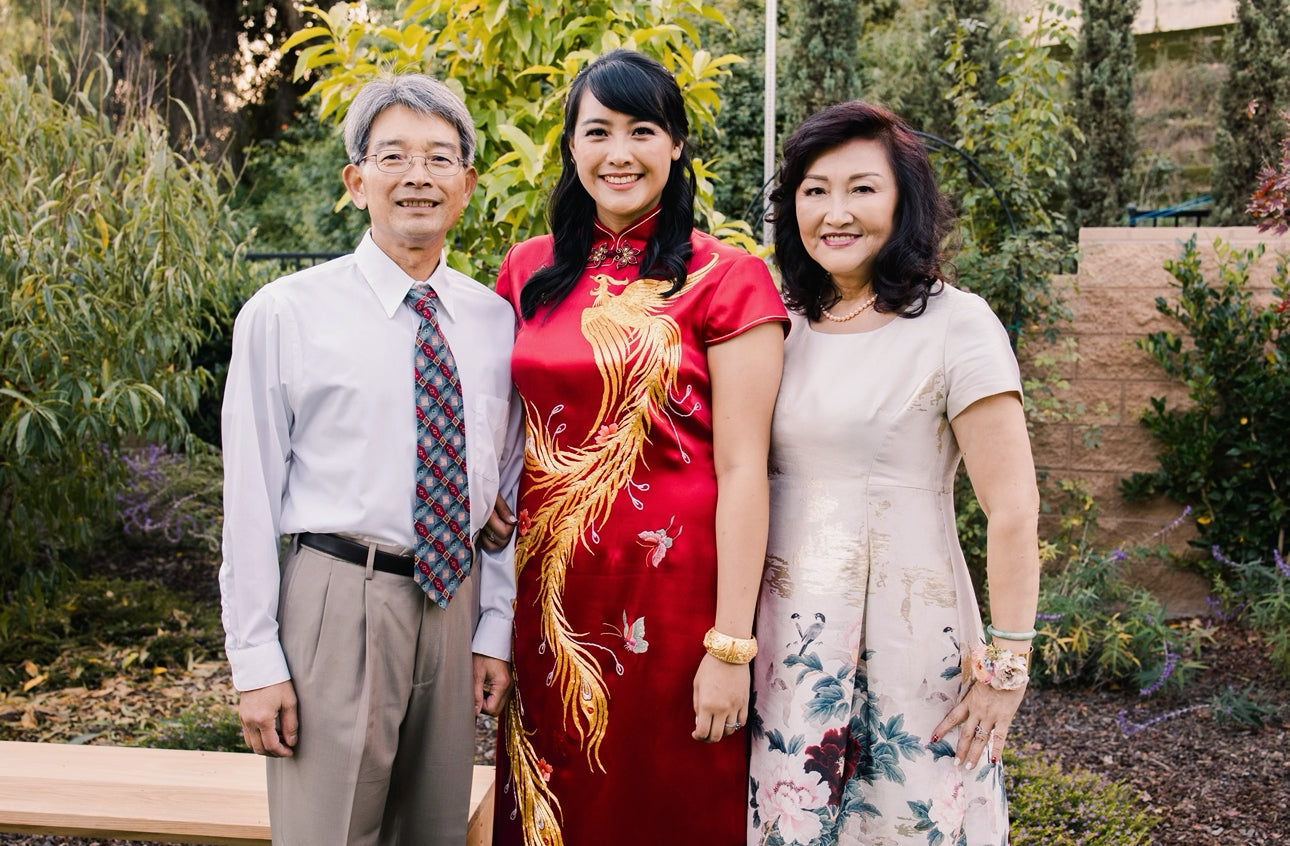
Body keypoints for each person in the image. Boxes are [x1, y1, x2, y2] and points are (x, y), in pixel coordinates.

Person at [490, 49, 789, 845]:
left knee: (669, 803)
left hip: (678, 599)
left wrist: (730, 645)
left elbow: (743, 469)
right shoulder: (525, 272)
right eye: (598, 132)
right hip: (550, 592)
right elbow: (499, 434)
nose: (618, 153)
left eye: (642, 131)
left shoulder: (729, 278)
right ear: (571, 146)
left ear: (677, 145)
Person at [218, 73, 524, 846]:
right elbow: (250, 498)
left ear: (466, 185)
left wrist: (493, 628)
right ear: (357, 181)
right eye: (393, 157)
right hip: (335, 597)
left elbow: (503, 490)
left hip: (450, 607)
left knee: (435, 833)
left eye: (439, 158)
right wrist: (255, 660)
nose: (417, 176)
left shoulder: (493, 322)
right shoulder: (286, 313)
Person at [748, 101, 1041, 845]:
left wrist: (1007, 668)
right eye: (814, 190)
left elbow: (1012, 510)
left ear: (904, 199)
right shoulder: (775, 323)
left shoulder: (956, 324)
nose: (835, 212)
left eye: (861, 188)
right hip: (787, 641)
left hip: (913, 643)